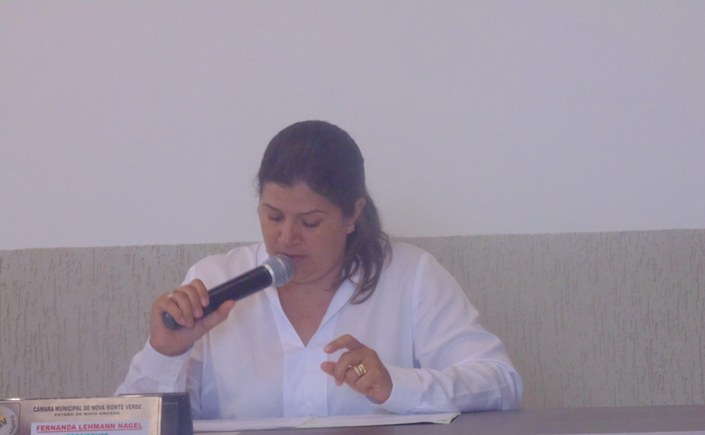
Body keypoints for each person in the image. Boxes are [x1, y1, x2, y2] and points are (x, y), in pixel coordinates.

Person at [116, 120, 522, 419]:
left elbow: (501, 383)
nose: (286, 237)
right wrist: (166, 353)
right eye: (273, 217)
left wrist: (395, 385)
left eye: (310, 222)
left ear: (352, 215)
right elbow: (131, 427)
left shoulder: (411, 276)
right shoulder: (214, 281)